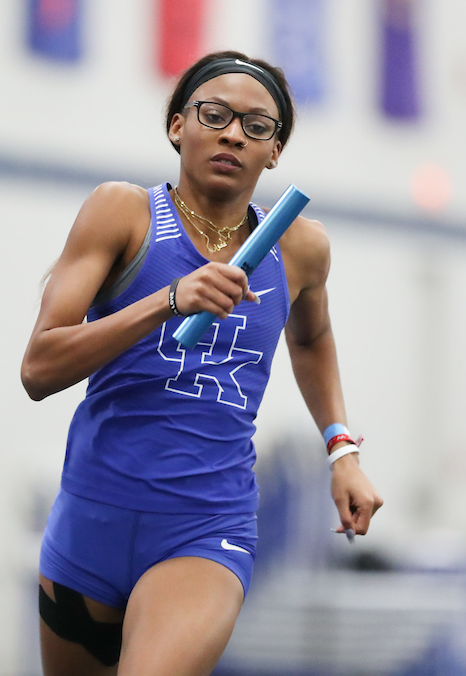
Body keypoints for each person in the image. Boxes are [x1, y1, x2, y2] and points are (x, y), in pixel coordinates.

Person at [21, 51, 384, 676]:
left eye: (257, 125)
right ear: (176, 126)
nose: (233, 133)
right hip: (90, 520)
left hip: (204, 528)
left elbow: (311, 340)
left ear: (274, 152)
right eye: (213, 115)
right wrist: (168, 300)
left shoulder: (299, 247)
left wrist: (342, 450)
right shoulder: (123, 214)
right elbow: (39, 367)